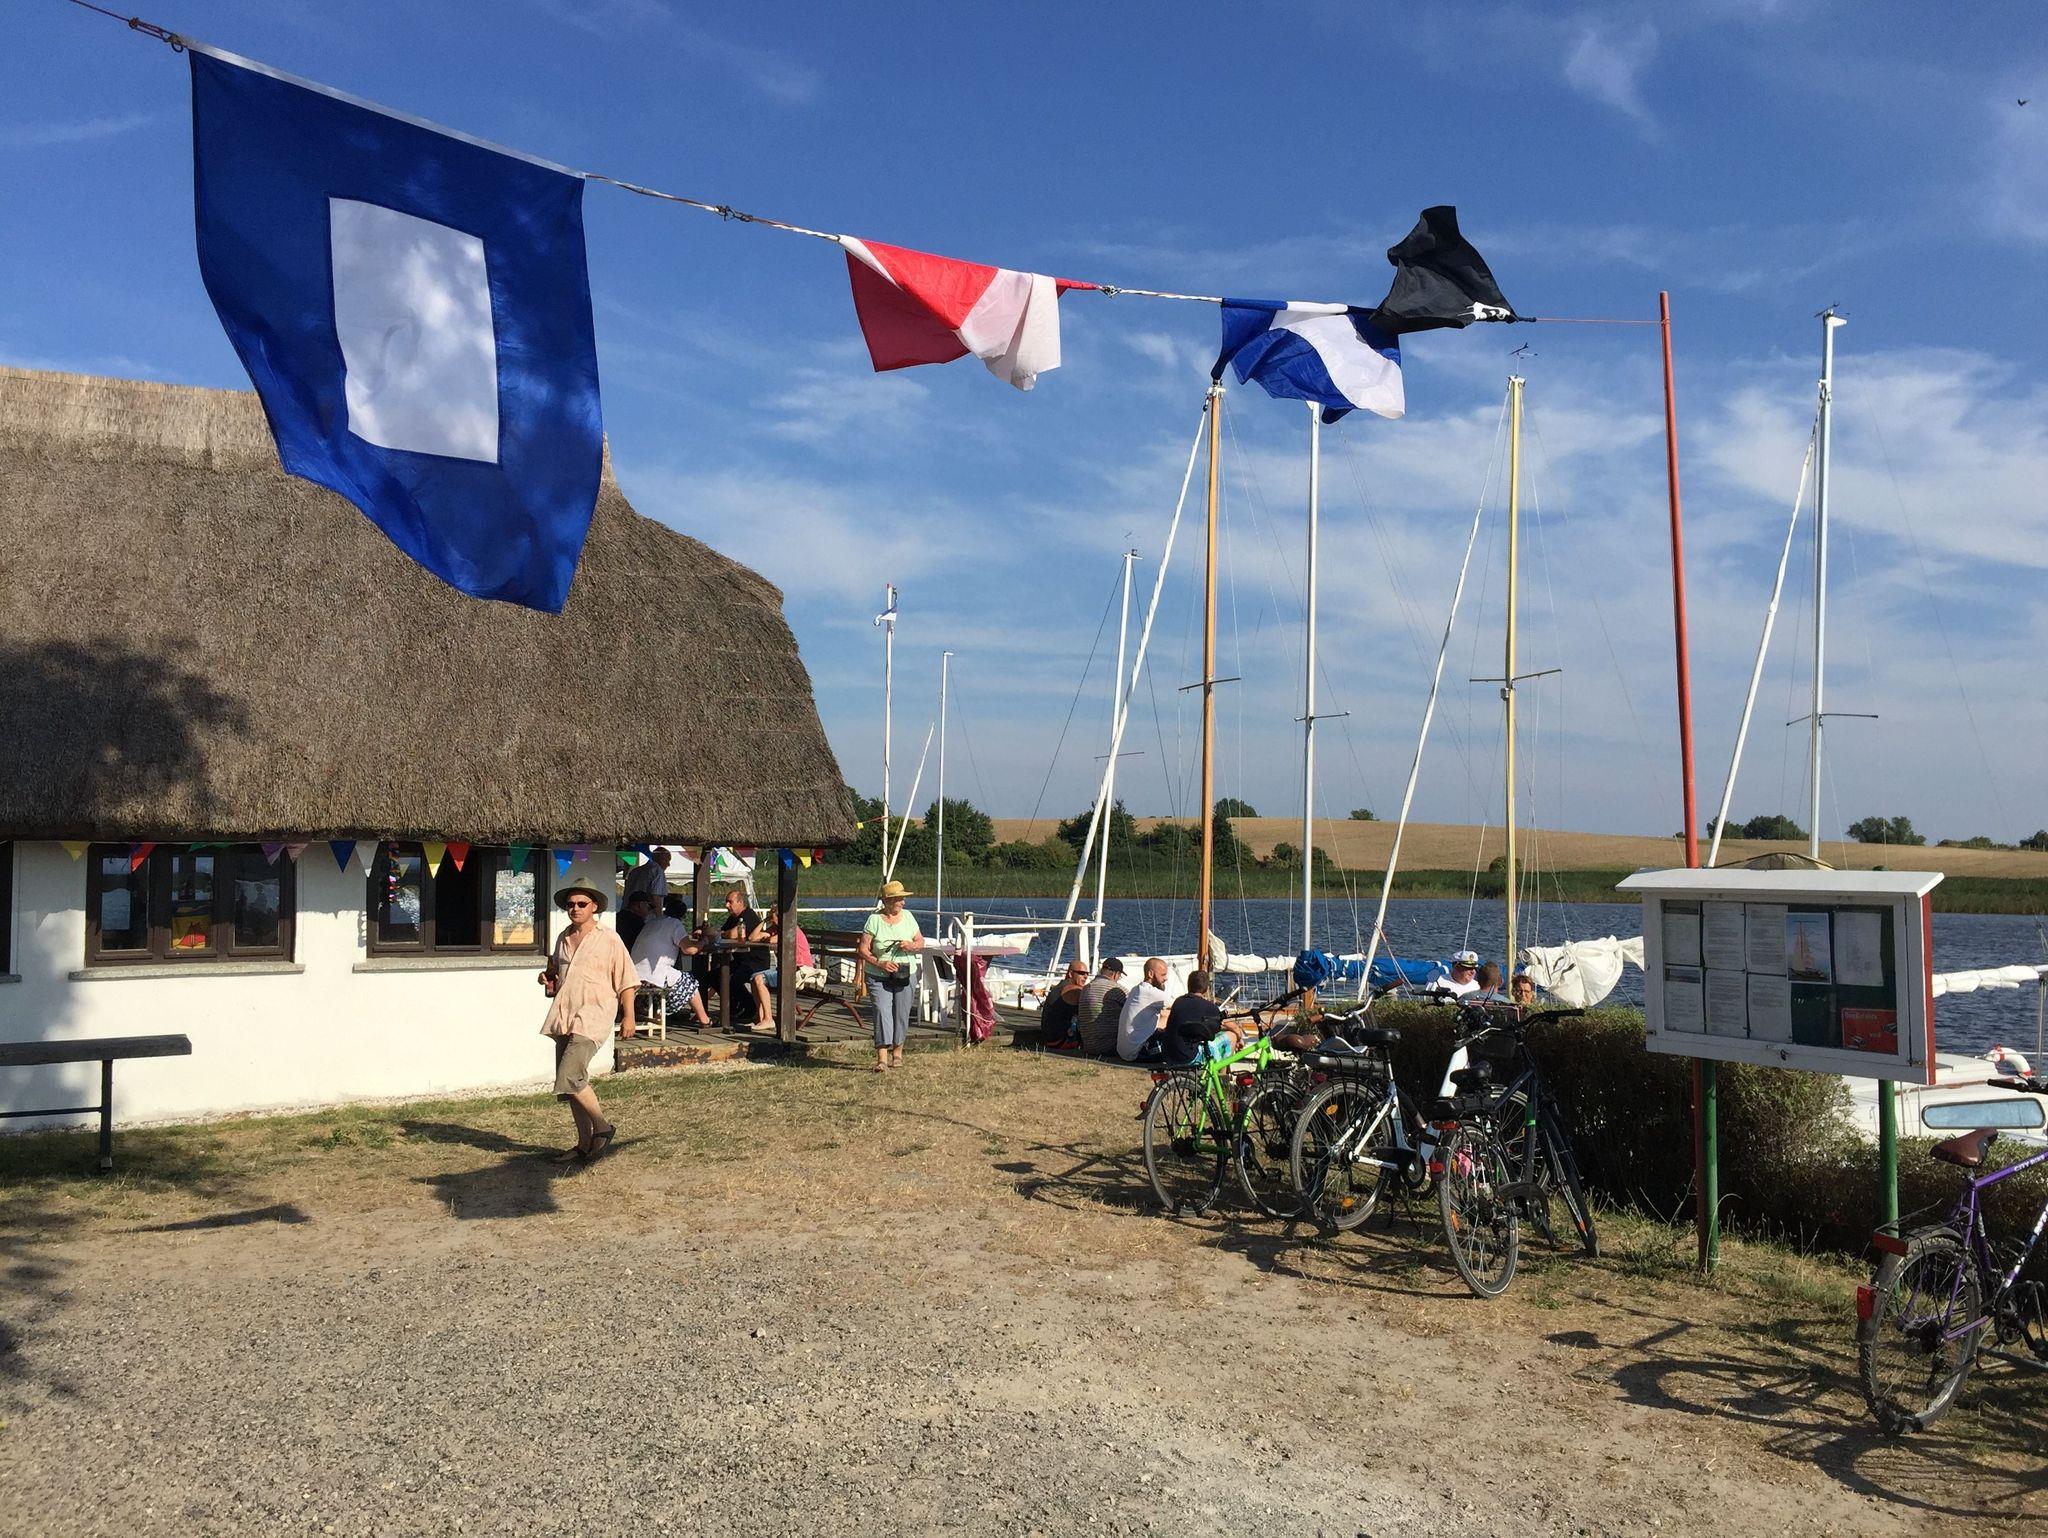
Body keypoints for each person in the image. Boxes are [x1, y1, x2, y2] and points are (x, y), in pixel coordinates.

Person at [537, 877, 637, 1161]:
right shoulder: (563, 937)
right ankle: (583, 1143)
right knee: (569, 1086)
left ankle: (602, 1127)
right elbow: (555, 972)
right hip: (564, 1014)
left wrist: (629, 1016)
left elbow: (627, 980)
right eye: (571, 904)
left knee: (569, 1076)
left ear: (594, 906)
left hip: (594, 1015)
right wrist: (547, 978)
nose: (575, 908)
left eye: (582, 904)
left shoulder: (609, 938)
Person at [858, 879, 924, 1071]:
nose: (903, 902)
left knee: (901, 1013)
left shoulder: (908, 917)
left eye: (903, 898)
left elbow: (921, 942)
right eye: (899, 899)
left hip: (905, 973)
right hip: (878, 974)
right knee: (881, 1011)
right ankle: (882, 1059)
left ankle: (898, 1053)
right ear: (887, 901)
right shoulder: (874, 920)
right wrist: (880, 963)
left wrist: (911, 945)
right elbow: (863, 949)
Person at [631, 893, 710, 1028]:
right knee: (689, 982)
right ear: (682, 916)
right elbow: (690, 950)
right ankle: (705, 1020)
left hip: (635, 974)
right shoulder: (675, 924)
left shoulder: (652, 922)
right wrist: (703, 941)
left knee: (673, 978)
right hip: (653, 976)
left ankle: (657, 1015)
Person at [749, 907, 814, 1033]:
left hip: (800, 971)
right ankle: (761, 1018)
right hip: (787, 970)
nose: (772, 921)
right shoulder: (776, 928)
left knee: (759, 978)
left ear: (781, 917)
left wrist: (767, 935)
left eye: (772, 917)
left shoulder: (790, 929)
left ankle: (768, 1019)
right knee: (754, 977)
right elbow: (752, 938)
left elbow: (772, 940)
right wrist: (764, 920)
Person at [1161, 970, 1240, 1067]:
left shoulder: (1178, 1002)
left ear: (1188, 985)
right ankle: (1223, 1074)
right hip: (1188, 1057)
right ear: (1206, 988)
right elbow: (1228, 1025)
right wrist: (1239, 1037)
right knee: (1232, 1036)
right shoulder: (1209, 1007)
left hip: (1168, 1055)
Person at [718, 885, 769, 1020]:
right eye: (726, 902)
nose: (726, 905)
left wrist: (723, 934)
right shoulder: (732, 918)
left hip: (756, 961)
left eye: (730, 902)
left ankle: (749, 1007)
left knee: (733, 980)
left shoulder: (748, 915)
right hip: (741, 960)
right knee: (713, 976)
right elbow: (721, 931)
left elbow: (733, 934)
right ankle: (734, 1007)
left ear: (740, 902)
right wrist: (722, 933)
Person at [1116, 957, 1172, 1063]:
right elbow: (1180, 1006)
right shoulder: (1150, 992)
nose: (1166, 978)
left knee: (1166, 1014)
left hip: (1125, 1050)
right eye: (1163, 975)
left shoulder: (1136, 989)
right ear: (1150, 974)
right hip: (1136, 1052)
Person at [1076, 957, 1128, 1057]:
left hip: (1088, 1046)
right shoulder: (1117, 990)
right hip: (1110, 1047)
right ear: (1115, 974)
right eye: (1119, 976)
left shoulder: (1086, 988)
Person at [1039, 959, 1089, 1050]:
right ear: (1071, 974)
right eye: (1081, 973)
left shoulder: (1060, 986)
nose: (1085, 976)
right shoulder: (1073, 990)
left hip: (1049, 1039)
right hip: (1060, 1042)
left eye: (1087, 974)